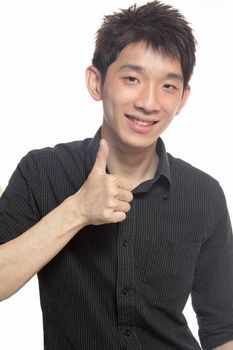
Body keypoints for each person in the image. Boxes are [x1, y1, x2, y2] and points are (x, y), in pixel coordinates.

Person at [0, 1, 232, 349]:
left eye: (168, 86)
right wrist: (77, 210)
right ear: (96, 82)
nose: (149, 102)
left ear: (183, 98)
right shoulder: (42, 171)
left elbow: (222, 330)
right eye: (132, 79)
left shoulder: (204, 194)